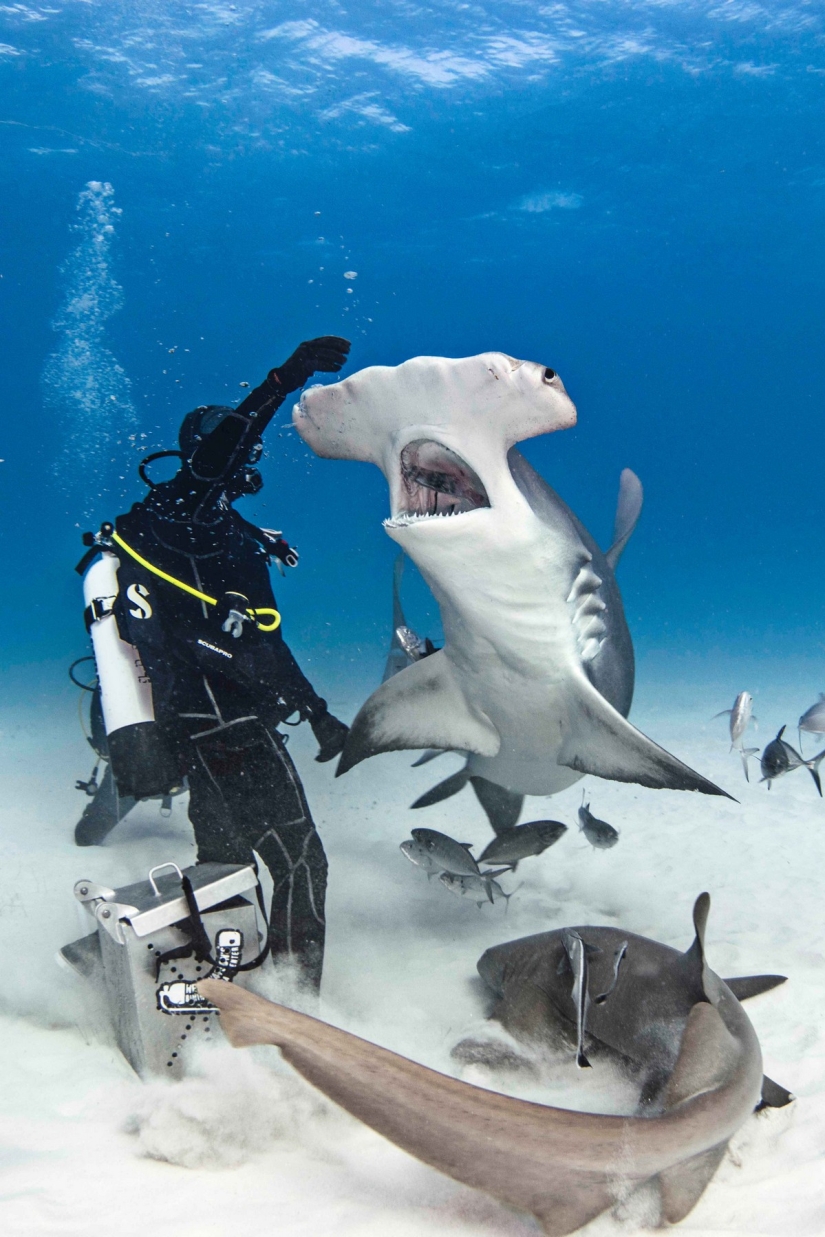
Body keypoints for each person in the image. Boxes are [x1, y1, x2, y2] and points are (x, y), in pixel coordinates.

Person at [86, 336, 351, 990]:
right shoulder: (182, 510)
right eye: (233, 448)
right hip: (225, 722)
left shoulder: (230, 535)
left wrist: (317, 713)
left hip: (200, 721)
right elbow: (229, 440)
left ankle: (186, 978)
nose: (247, 456)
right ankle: (298, 1009)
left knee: (226, 862)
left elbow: (263, 641)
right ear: (206, 456)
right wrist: (284, 376)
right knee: (300, 863)